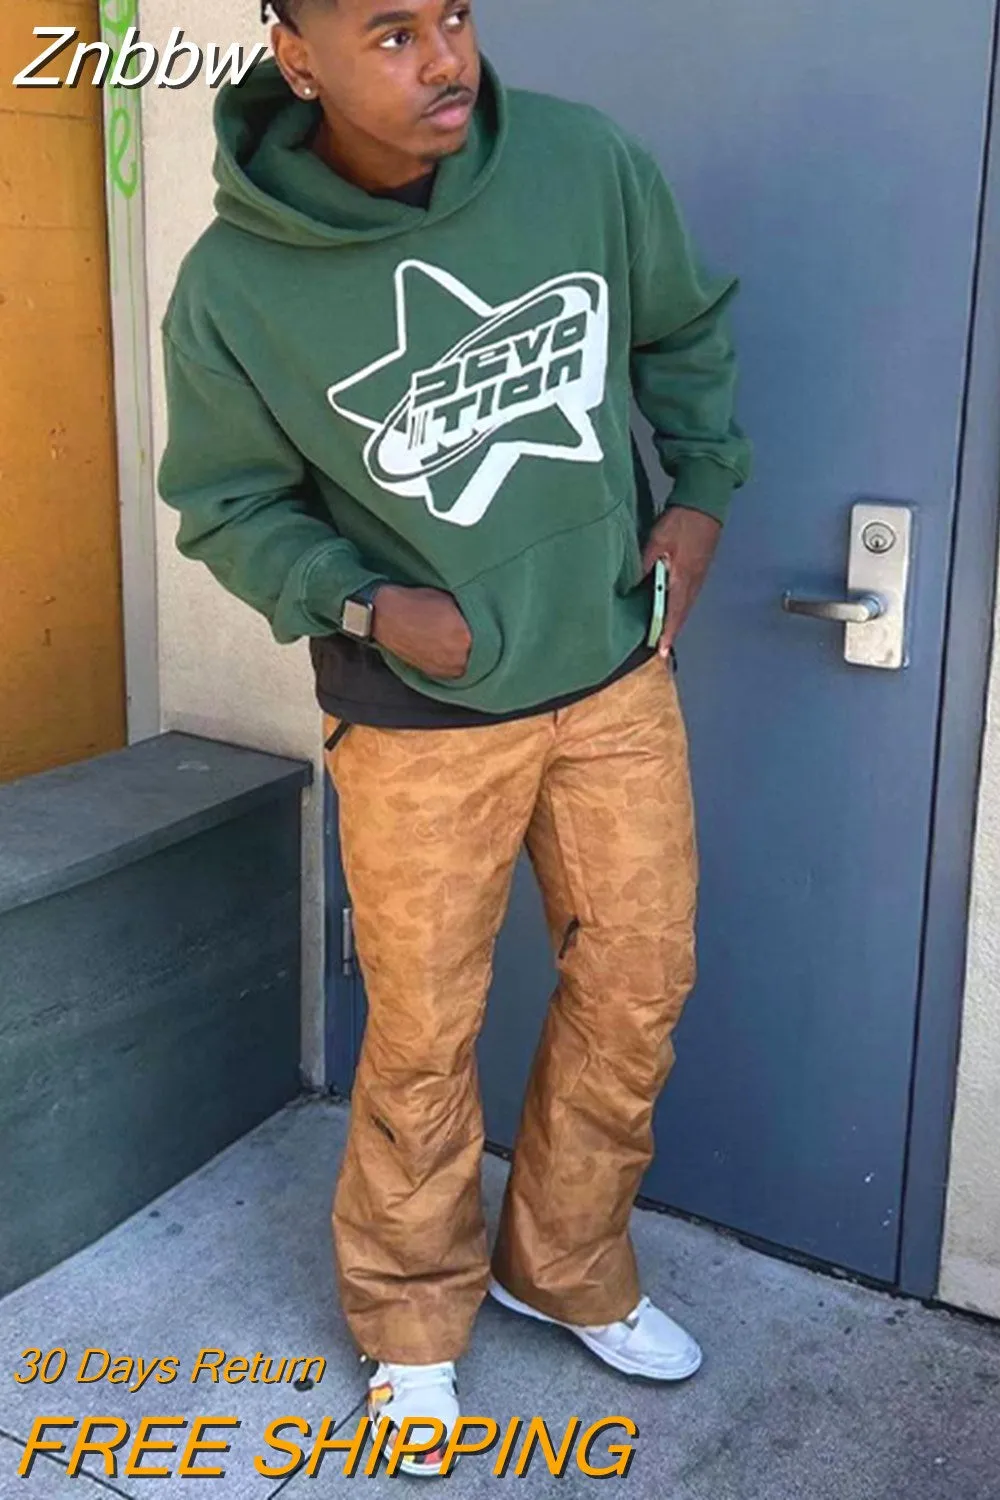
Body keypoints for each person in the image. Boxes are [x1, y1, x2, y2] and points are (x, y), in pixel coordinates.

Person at [159, 0, 751, 1476]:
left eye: (456, 16)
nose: (444, 60)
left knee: (638, 986)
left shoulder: (580, 161)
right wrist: (363, 601)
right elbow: (227, 506)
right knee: (423, 1036)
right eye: (391, 33)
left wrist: (699, 495)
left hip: (612, 677)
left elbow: (683, 332)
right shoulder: (234, 282)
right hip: (417, 722)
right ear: (297, 59)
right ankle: (413, 1321)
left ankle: (567, 1266)